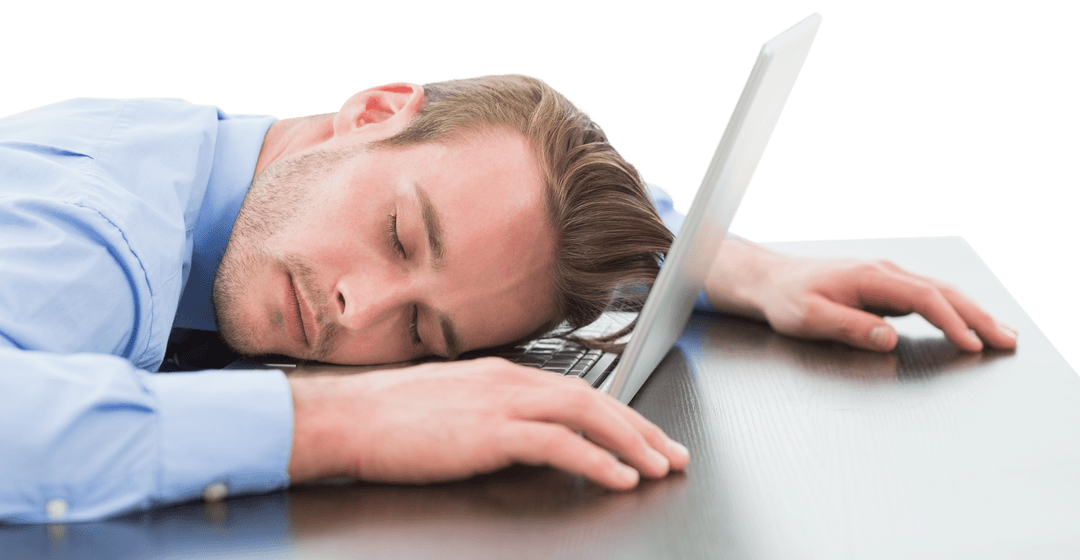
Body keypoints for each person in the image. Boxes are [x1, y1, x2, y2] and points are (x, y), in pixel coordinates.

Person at [0, 74, 1017, 524]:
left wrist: (710, 254)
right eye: (402, 234)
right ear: (373, 111)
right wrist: (342, 419)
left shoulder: (260, 167)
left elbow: (490, 203)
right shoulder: (97, 234)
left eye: (421, 331)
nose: (358, 310)